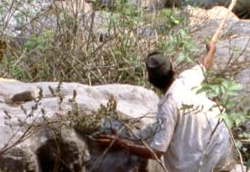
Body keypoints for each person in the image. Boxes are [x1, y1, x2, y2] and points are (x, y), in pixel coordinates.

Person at [93, 42, 237, 172]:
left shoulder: (168, 107)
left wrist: (121, 144)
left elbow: (156, 152)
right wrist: (211, 49)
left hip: (203, 163)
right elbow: (205, 64)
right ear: (173, 71)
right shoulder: (187, 78)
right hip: (223, 142)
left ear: (151, 81)